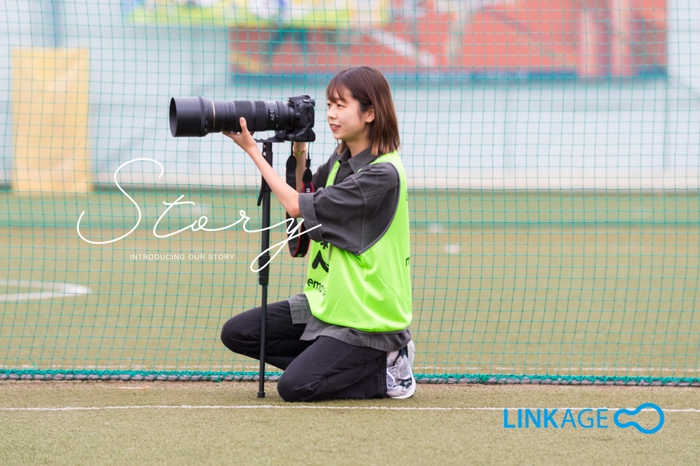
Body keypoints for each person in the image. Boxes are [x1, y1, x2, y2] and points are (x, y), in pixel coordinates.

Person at [220, 66, 416, 401]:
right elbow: (307, 191)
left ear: (370, 113)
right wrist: (299, 152)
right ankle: (328, 364)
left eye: (341, 105)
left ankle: (387, 369)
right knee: (238, 333)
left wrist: (253, 150)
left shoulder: (382, 174)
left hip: (367, 319)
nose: (330, 115)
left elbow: (296, 206)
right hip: (326, 304)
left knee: (295, 387)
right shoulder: (343, 157)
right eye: (328, 105)